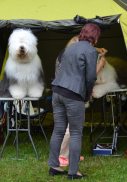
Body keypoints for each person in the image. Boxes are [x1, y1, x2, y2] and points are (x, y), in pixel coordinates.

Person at [48, 23, 106, 180]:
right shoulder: (90, 51)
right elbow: (90, 78)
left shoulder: (70, 48)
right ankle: (73, 172)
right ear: (95, 37)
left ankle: (53, 166)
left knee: (58, 129)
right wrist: (86, 96)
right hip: (73, 95)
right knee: (75, 133)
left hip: (57, 91)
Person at [57, 36, 108, 167]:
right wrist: (101, 65)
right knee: (69, 127)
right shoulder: (73, 57)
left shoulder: (65, 53)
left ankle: (71, 154)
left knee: (73, 127)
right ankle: (61, 156)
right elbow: (88, 76)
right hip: (70, 93)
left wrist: (97, 49)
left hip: (65, 91)